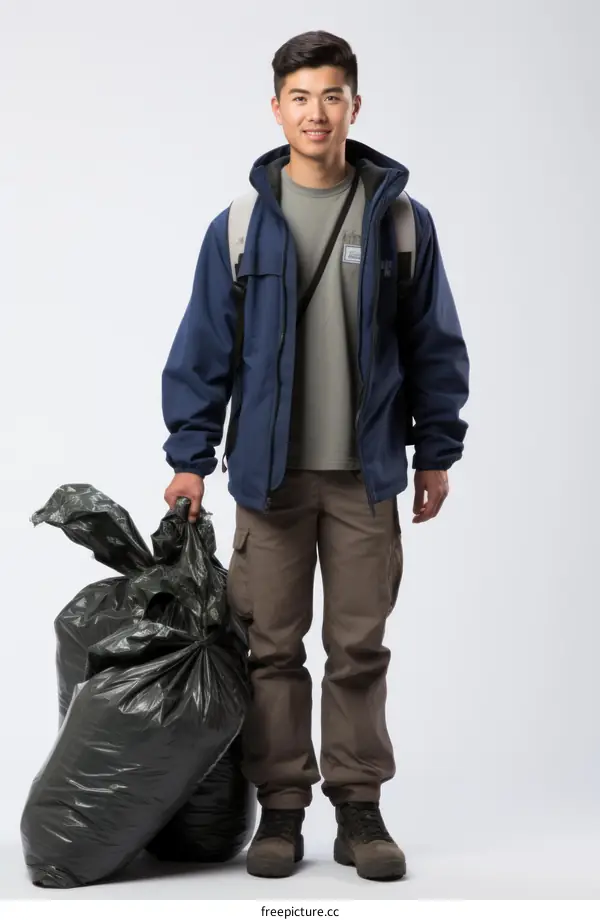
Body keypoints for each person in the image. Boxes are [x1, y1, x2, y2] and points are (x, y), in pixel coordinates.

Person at [161, 31, 470, 882]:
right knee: (271, 649)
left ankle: (360, 809)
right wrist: (190, 458)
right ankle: (282, 810)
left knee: (359, 649)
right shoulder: (240, 226)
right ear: (277, 110)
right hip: (269, 480)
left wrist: (437, 450)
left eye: (332, 95)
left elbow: (434, 344)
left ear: (354, 107)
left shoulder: (400, 218)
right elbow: (202, 352)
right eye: (300, 97)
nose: (316, 112)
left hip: (366, 476)